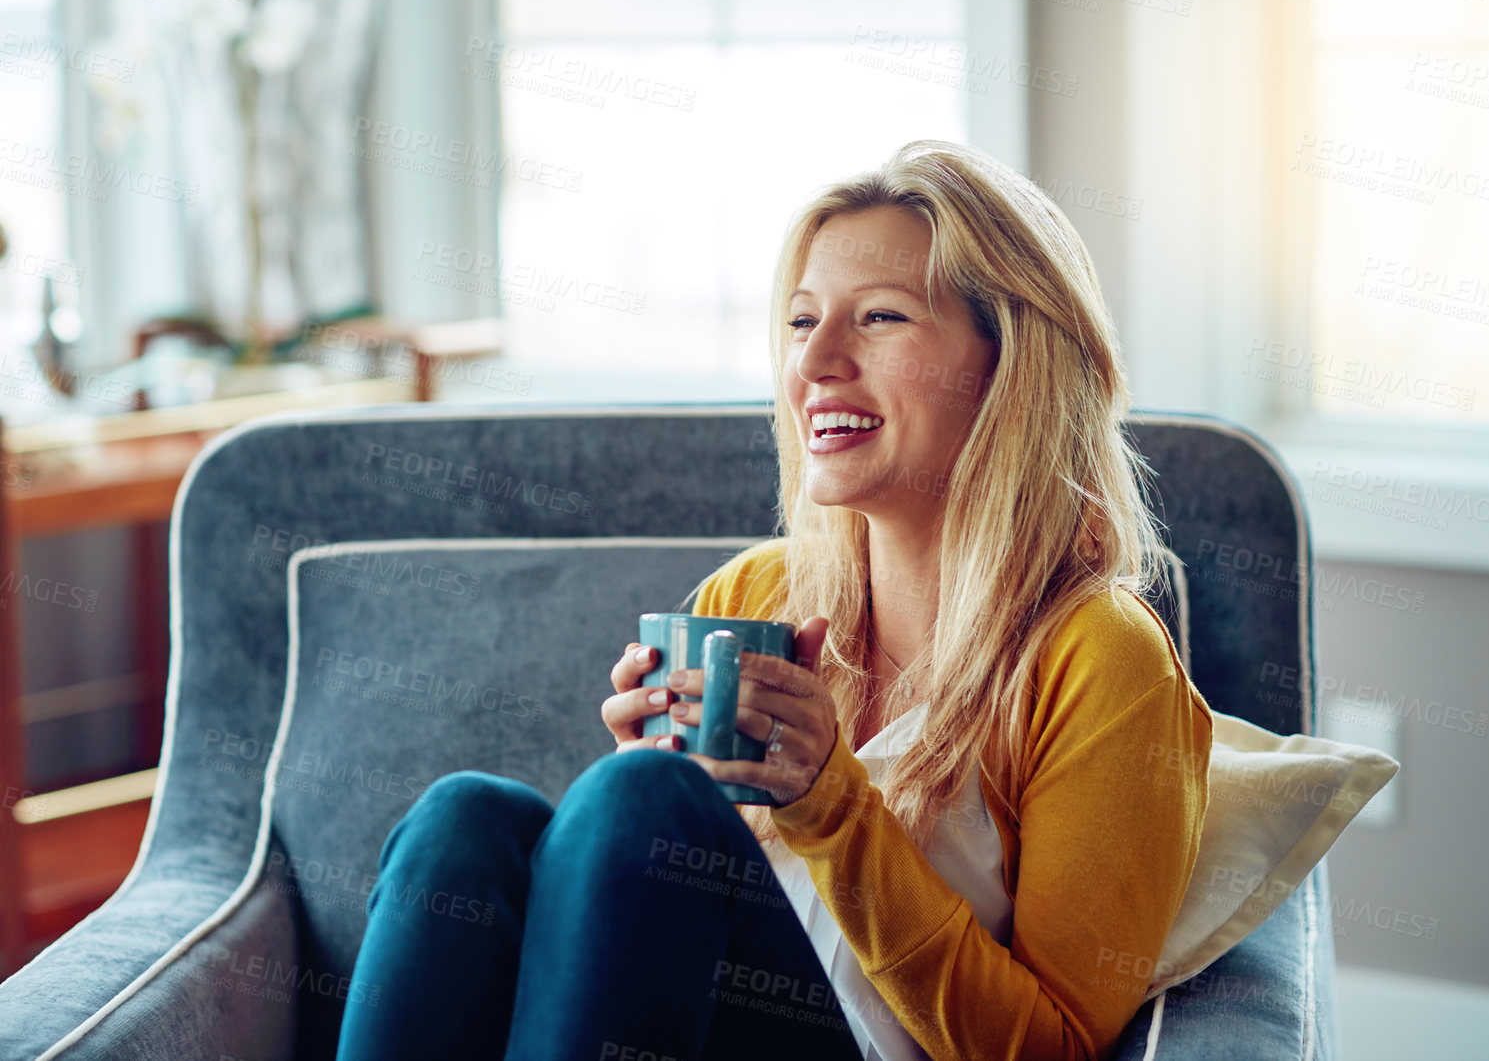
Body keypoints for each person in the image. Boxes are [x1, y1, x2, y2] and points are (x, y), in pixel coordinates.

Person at [333, 140, 1213, 1061]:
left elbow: (1056, 1050)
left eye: (879, 318)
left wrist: (826, 802)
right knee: (465, 823)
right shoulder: (757, 595)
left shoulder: (1100, 657)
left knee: (640, 800)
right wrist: (644, 811)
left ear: (1012, 363)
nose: (818, 362)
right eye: (801, 323)